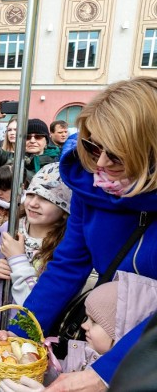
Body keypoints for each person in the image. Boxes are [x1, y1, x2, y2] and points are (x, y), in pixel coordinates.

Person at [14, 77, 157, 391]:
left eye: (116, 155)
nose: (100, 164)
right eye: (93, 147)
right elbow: (66, 268)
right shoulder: (89, 189)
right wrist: (21, 334)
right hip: (102, 337)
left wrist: (106, 373)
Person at [0, 271, 157, 392]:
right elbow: (63, 375)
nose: (84, 326)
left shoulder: (128, 381)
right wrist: (44, 368)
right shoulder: (84, 352)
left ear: (120, 330)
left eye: (94, 322)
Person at [0, 163, 71, 329]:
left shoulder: (63, 248)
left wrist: (17, 259)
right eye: (32, 194)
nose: (33, 203)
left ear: (64, 210)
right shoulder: (9, 229)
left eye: (46, 198)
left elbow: (41, 302)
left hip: (27, 334)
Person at [0, 102, 60, 181]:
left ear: (46, 141)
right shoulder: (11, 159)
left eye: (38, 137)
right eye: (27, 137)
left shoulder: (59, 163)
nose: (32, 141)